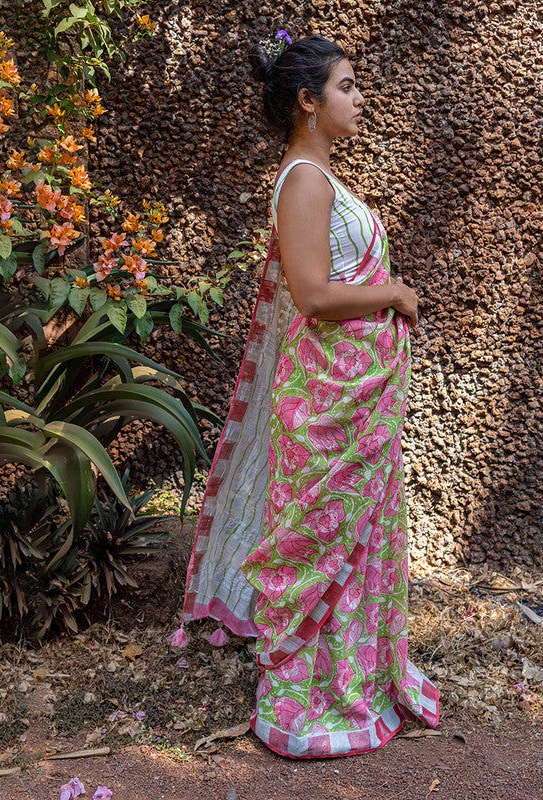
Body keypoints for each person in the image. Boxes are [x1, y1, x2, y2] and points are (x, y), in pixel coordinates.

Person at [174, 32, 439, 758]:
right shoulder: (304, 181)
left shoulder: (320, 176)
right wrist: (395, 293)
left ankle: (353, 681)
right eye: (347, 86)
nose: (360, 99)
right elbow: (314, 295)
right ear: (308, 101)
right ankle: (305, 702)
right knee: (320, 541)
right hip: (327, 400)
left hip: (353, 394)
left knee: (355, 540)